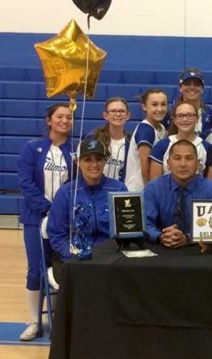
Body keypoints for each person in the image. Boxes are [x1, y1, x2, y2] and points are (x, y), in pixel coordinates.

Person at [16, 104, 73, 341]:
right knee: (35, 268)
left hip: (65, 222)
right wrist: (47, 208)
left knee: (61, 266)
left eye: (69, 117)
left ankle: (55, 317)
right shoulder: (32, 148)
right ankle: (34, 321)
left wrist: (61, 212)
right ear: (49, 120)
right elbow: (26, 183)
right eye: (59, 116)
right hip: (35, 218)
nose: (65, 120)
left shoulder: (76, 150)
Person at [47, 139, 128, 262]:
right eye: (88, 159)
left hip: (111, 257)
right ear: (78, 162)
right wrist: (73, 254)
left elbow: (127, 229)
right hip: (76, 259)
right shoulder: (65, 193)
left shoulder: (119, 189)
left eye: (98, 159)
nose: (94, 164)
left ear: (105, 161)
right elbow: (57, 235)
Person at [144, 140, 212, 248]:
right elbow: (146, 224)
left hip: (199, 251)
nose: (183, 164)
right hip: (162, 250)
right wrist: (161, 236)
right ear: (168, 163)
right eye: (177, 158)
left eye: (189, 158)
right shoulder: (153, 188)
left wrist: (188, 238)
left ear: (198, 163)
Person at [150, 102, 210, 180]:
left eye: (190, 115)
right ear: (174, 119)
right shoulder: (162, 146)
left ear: (197, 119)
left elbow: (210, 183)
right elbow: (155, 183)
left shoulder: (207, 147)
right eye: (180, 116)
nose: (185, 119)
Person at [125, 88, 168, 191]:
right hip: (138, 190)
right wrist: (151, 193)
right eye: (154, 104)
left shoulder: (161, 128)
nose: (160, 109)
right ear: (144, 107)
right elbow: (146, 169)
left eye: (163, 104)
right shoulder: (145, 130)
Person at [85, 97, 131, 182]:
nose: (117, 114)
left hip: (121, 191)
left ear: (128, 116)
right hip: (95, 190)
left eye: (122, 111)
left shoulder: (132, 142)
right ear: (105, 115)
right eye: (113, 111)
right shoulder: (93, 138)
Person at [163, 68, 212, 136]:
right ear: (180, 88)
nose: (192, 87)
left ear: (202, 89)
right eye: (187, 84)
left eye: (197, 84)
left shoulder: (210, 114)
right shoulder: (169, 112)